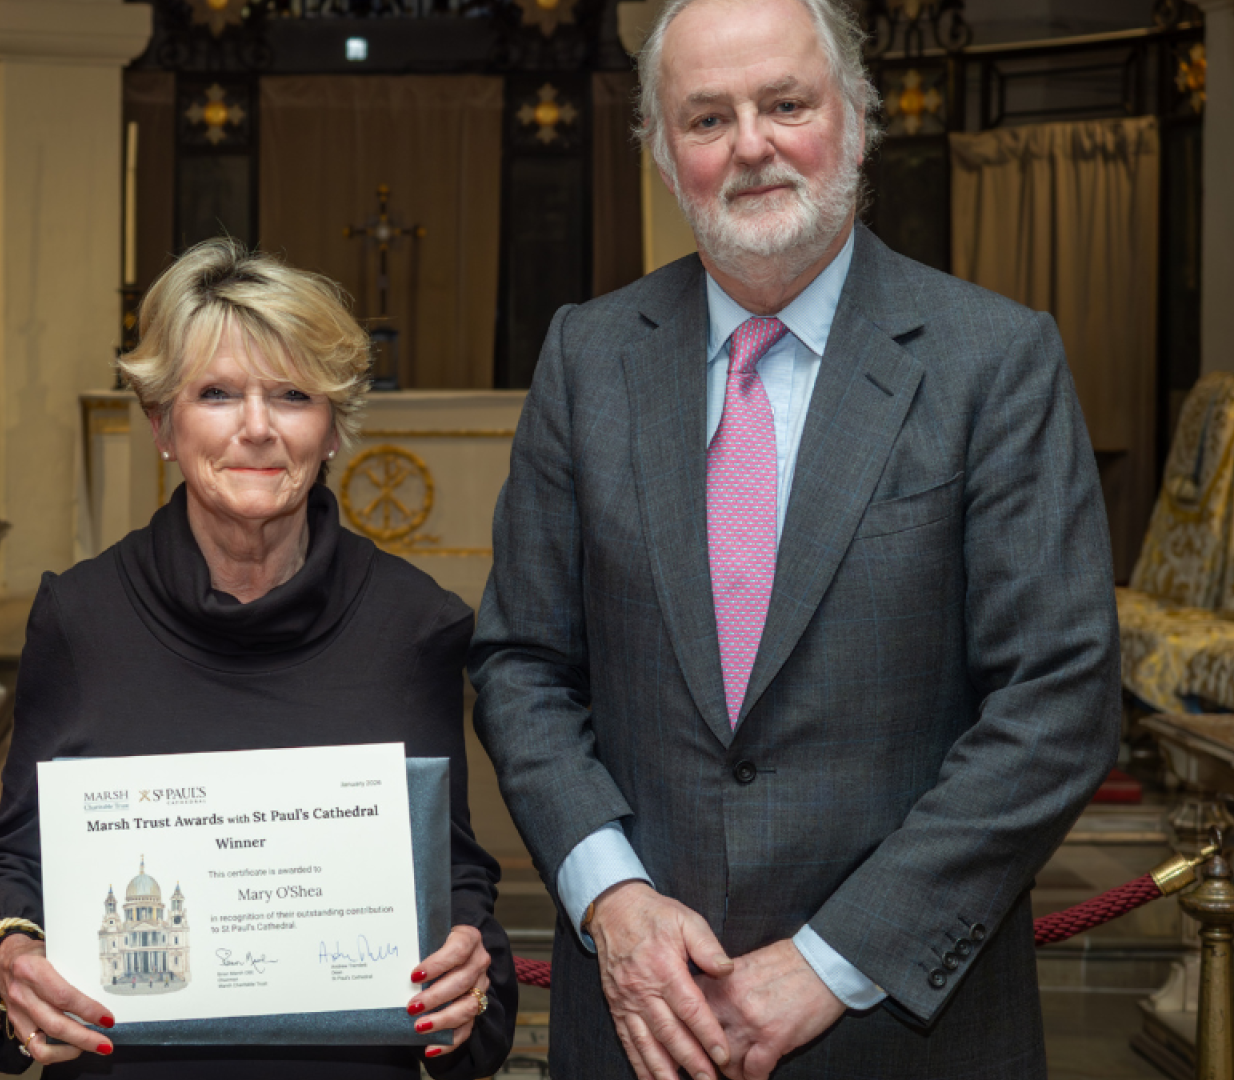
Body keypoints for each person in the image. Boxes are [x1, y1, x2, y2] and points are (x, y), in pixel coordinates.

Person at [469, 0, 1121, 1077]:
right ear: (665, 158)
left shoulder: (994, 360)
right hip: (645, 1018)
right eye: (707, 118)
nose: (753, 145)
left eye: (785, 104)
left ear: (857, 120)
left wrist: (829, 961)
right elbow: (522, 663)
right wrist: (612, 894)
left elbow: (1059, 699)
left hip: (905, 1026)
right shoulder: (586, 359)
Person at [0, 239, 517, 1080]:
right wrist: (7, 956)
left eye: (292, 395)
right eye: (217, 394)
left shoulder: (415, 627)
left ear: (331, 428)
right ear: (162, 425)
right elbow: (14, 863)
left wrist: (469, 971)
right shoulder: (81, 619)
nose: (257, 427)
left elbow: (450, 876)